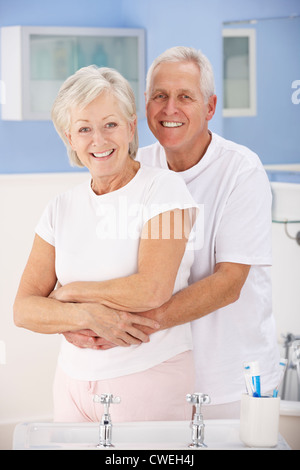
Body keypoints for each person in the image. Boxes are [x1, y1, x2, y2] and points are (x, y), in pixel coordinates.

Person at [63, 47, 281, 419]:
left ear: (210, 107)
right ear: (144, 107)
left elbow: (229, 283)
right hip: (154, 372)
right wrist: (80, 319)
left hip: (230, 379)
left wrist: (125, 324)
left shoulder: (241, 171)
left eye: (185, 97)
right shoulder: (133, 166)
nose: (169, 109)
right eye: (159, 96)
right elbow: (103, 258)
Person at [13, 65, 199, 423]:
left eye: (110, 124)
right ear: (69, 137)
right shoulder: (60, 207)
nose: (98, 140)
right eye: (84, 129)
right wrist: (85, 314)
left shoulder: (167, 190)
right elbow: (24, 309)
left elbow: (153, 289)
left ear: (131, 127)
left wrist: (69, 293)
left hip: (149, 377)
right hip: (71, 383)